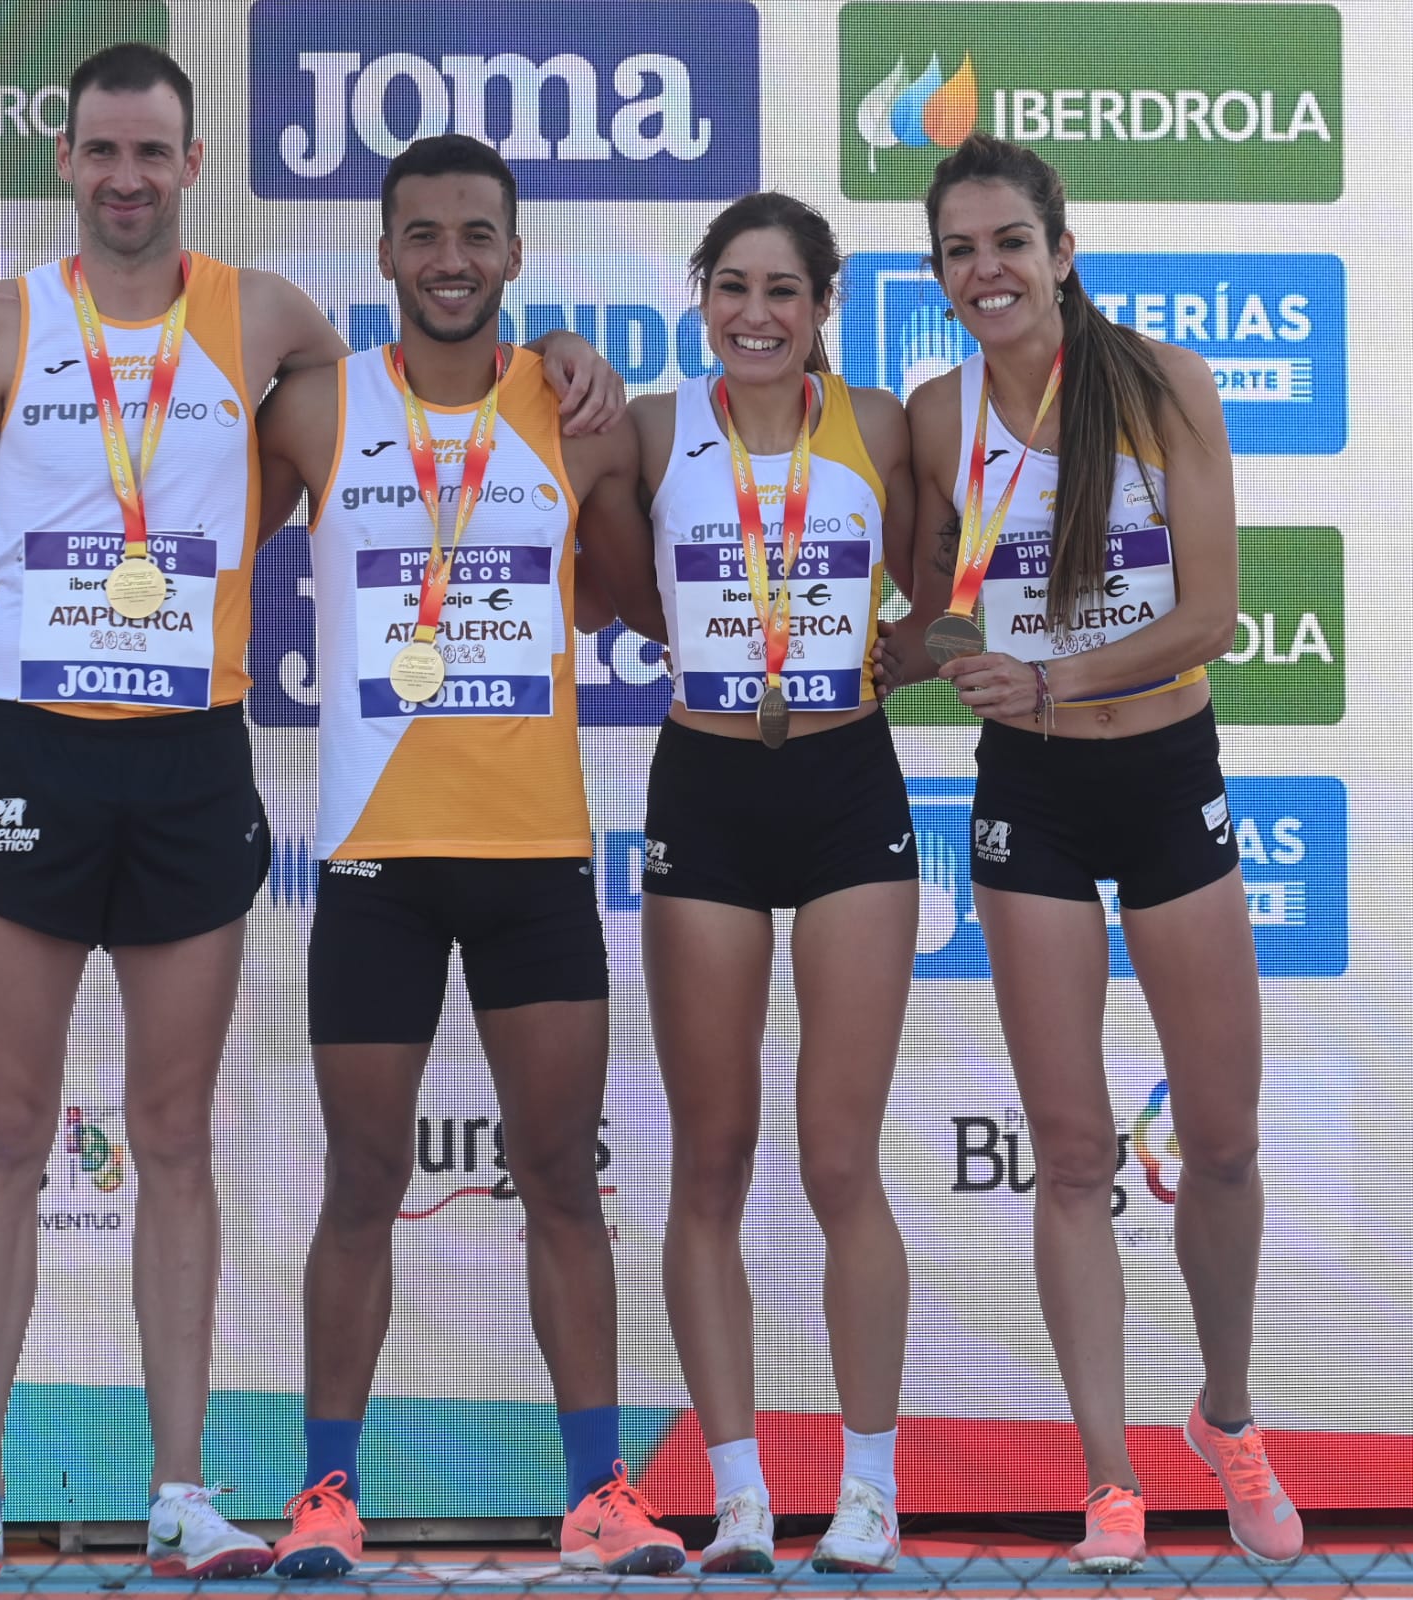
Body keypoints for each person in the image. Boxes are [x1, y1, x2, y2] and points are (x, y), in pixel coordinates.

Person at [0, 47, 617, 1581]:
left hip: (192, 757)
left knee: (172, 1134)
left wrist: (559, 345)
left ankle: (179, 1492)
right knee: (10, 1128)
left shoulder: (273, 319)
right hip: (26, 750)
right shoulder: (6, 321)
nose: (125, 175)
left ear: (194, 158)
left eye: (151, 149)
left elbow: (400, 420)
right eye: (101, 149)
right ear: (67, 161)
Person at [249, 134, 685, 1580]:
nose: (449, 259)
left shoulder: (582, 417)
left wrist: (591, 404)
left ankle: (599, 1495)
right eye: (422, 234)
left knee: (561, 1176)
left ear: (512, 254)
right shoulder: (312, 410)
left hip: (535, 857)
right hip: (374, 865)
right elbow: (182, 526)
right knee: (361, 1180)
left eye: (476, 236)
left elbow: (642, 601)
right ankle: (325, 1495)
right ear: (382, 255)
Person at [884, 131, 1302, 1574]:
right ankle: (1109, 1477)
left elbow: (1210, 619)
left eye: (1008, 241)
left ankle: (1227, 1416)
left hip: (1164, 772)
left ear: (1059, 251)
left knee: (1225, 1142)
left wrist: (1057, 674)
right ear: (935, 276)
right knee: (1070, 1153)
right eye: (957, 251)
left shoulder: (1157, 383)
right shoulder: (938, 416)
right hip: (1032, 800)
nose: (985, 270)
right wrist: (928, 659)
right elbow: (938, 608)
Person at [620, 193, 919, 1574]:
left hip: (848, 786)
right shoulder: (644, 423)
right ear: (700, 295)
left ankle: (869, 1487)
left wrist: (918, 652)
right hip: (705, 789)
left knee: (840, 1158)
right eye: (732, 286)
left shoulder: (882, 423)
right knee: (712, 1158)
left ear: (823, 303)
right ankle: (737, 1492)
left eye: (784, 291)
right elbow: (610, 586)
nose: (756, 313)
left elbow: (934, 581)